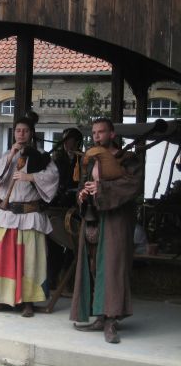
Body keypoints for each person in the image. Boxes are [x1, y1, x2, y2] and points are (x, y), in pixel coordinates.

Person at [0, 114, 59, 317]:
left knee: (29, 261)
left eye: (25, 131)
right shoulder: (8, 154)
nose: (21, 134)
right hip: (8, 216)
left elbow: (52, 178)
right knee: (4, 259)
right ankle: (2, 299)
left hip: (30, 216)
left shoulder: (41, 156)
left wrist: (29, 176)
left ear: (31, 134)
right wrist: (9, 157)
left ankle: (28, 302)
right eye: (18, 131)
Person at [71, 118, 142, 344]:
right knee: (93, 267)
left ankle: (112, 320)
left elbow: (132, 186)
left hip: (116, 221)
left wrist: (101, 188)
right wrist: (82, 195)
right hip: (93, 219)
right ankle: (100, 316)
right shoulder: (90, 160)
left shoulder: (128, 159)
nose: (96, 136)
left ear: (112, 134)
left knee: (113, 268)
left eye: (101, 132)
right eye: (94, 132)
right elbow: (82, 186)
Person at [47, 127, 83, 290]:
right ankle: (53, 278)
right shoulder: (56, 158)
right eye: (65, 140)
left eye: (71, 140)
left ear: (77, 142)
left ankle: (68, 281)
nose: (68, 143)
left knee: (73, 245)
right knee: (54, 243)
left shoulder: (83, 159)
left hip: (74, 207)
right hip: (56, 206)